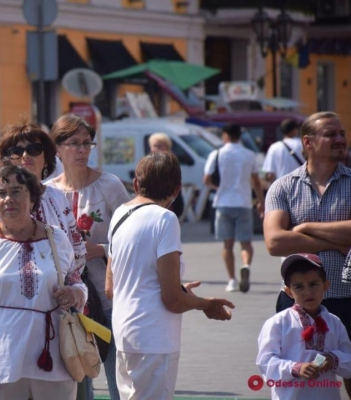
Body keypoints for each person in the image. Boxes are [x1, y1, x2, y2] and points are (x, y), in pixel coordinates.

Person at [0, 165, 87, 400]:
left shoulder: (57, 238)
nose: (9, 199)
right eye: (1, 193)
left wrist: (75, 294)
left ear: (33, 199)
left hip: (55, 363)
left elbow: (77, 283)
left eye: (17, 191)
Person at [107, 153, 234, 400]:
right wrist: (205, 304)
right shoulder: (165, 219)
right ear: (176, 190)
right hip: (153, 337)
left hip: (124, 333)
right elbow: (172, 300)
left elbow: (111, 288)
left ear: (136, 184)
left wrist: (178, 291)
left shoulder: (120, 213)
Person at [263, 111, 351, 396]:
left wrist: (305, 228)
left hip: (347, 295)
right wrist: (338, 242)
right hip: (299, 301)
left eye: (342, 133)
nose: (340, 139)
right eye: (331, 134)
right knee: (300, 380)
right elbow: (274, 242)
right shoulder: (283, 187)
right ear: (308, 142)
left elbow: (286, 238)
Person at [47, 114, 130, 400]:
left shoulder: (109, 186)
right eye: (74, 143)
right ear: (57, 149)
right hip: (64, 301)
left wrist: (101, 249)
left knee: (118, 377)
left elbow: (131, 237)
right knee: (76, 381)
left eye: (87, 143)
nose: (82, 150)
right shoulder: (46, 191)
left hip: (107, 295)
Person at [0, 120, 86, 277]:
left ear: (46, 158)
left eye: (34, 149)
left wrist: (67, 285)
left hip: (56, 290)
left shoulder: (57, 197)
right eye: (17, 151)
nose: (25, 156)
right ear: (8, 160)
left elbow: (76, 252)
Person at [257, 253, 351, 400]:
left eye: (313, 284)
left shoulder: (335, 323)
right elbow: (265, 363)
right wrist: (296, 368)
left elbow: (348, 362)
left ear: (326, 286)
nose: (308, 292)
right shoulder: (278, 323)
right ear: (289, 292)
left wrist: (334, 359)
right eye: (299, 286)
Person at [203, 123, 264, 293]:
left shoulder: (217, 154)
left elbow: (206, 179)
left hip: (223, 202)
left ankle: (232, 280)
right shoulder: (249, 154)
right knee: (246, 243)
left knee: (227, 245)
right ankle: (246, 265)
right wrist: (260, 201)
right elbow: (256, 182)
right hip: (244, 202)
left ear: (226, 135)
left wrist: (218, 188)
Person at [148, 132, 184, 218]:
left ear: (167, 147)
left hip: (169, 202)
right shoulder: (147, 163)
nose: (157, 149)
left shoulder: (172, 162)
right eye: (154, 146)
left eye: (159, 146)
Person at [262, 119, 304, 183]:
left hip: (282, 185)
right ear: (294, 130)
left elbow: (270, 175)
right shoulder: (302, 144)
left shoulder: (274, 147)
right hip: (301, 184)